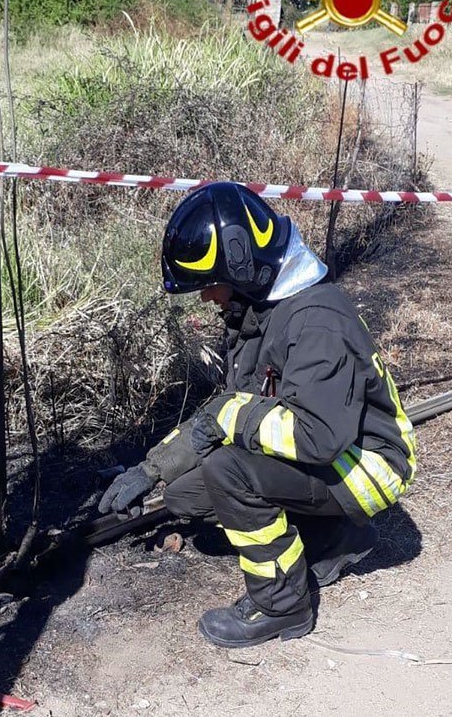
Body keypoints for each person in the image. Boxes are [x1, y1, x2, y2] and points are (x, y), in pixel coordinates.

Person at [98, 182, 417, 649]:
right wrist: (152, 470)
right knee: (189, 494)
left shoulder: (316, 322)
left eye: (209, 285)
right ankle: (334, 538)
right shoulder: (260, 313)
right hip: (335, 451)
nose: (207, 298)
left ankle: (281, 604)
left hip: (370, 465)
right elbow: (232, 408)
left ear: (241, 267)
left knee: (229, 472)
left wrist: (231, 419)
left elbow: (316, 436)